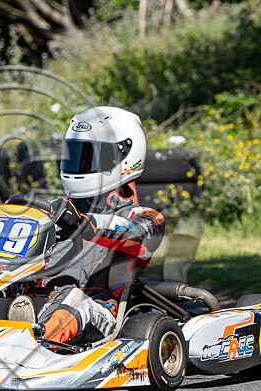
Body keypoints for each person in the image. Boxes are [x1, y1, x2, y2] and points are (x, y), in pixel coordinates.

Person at [9, 106, 165, 345]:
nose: (80, 164)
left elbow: (136, 232)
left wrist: (84, 222)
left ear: (125, 157)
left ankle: (29, 342)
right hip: (36, 299)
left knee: (72, 300)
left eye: (90, 157)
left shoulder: (144, 216)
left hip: (97, 308)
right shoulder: (57, 209)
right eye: (75, 156)